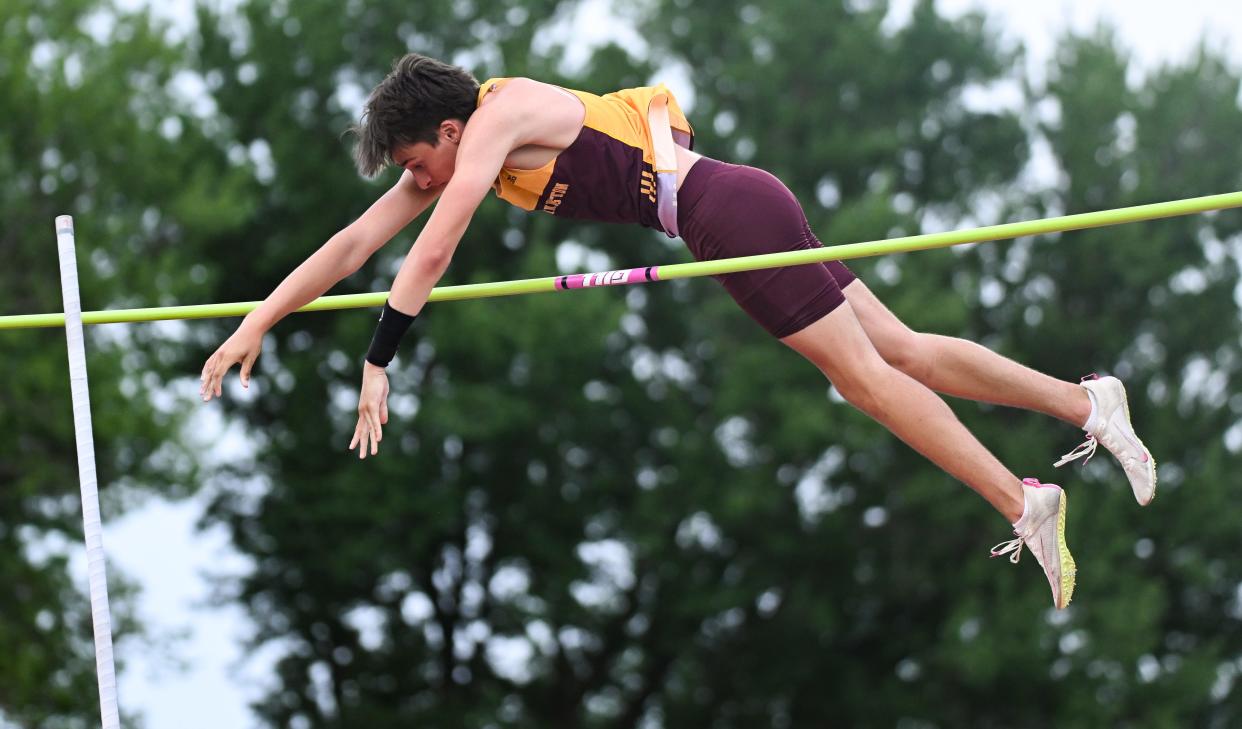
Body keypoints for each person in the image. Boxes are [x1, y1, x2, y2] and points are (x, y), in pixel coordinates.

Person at [199, 53, 1157, 609]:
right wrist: (258, 320)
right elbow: (354, 242)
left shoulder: (499, 118)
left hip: (724, 216)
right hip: (734, 208)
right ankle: (1087, 402)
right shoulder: (455, 155)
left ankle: (1020, 500)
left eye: (419, 162)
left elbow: (435, 251)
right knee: (899, 351)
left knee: (863, 379)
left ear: (446, 132)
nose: (421, 182)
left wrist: (380, 362)